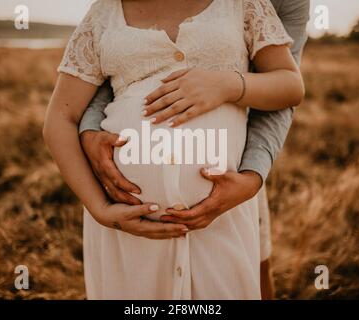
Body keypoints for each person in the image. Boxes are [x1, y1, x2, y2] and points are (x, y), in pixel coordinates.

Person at [44, 0, 306, 299]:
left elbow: (290, 85)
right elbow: (60, 119)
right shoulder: (104, 13)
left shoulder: (245, 5)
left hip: (221, 216)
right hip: (128, 228)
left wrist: (228, 85)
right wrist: (100, 209)